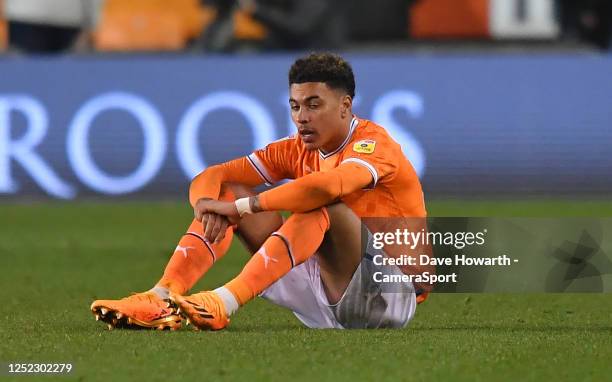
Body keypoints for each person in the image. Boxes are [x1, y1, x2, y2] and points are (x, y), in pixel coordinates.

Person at [90, 53, 430, 331]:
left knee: (323, 205)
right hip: (320, 292)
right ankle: (162, 295)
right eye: (295, 106)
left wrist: (245, 206)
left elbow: (325, 187)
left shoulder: (375, 145)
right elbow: (214, 175)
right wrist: (206, 205)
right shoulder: (296, 148)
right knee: (227, 189)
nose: (302, 117)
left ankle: (224, 301)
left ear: (345, 106)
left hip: (386, 298)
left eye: (314, 105)